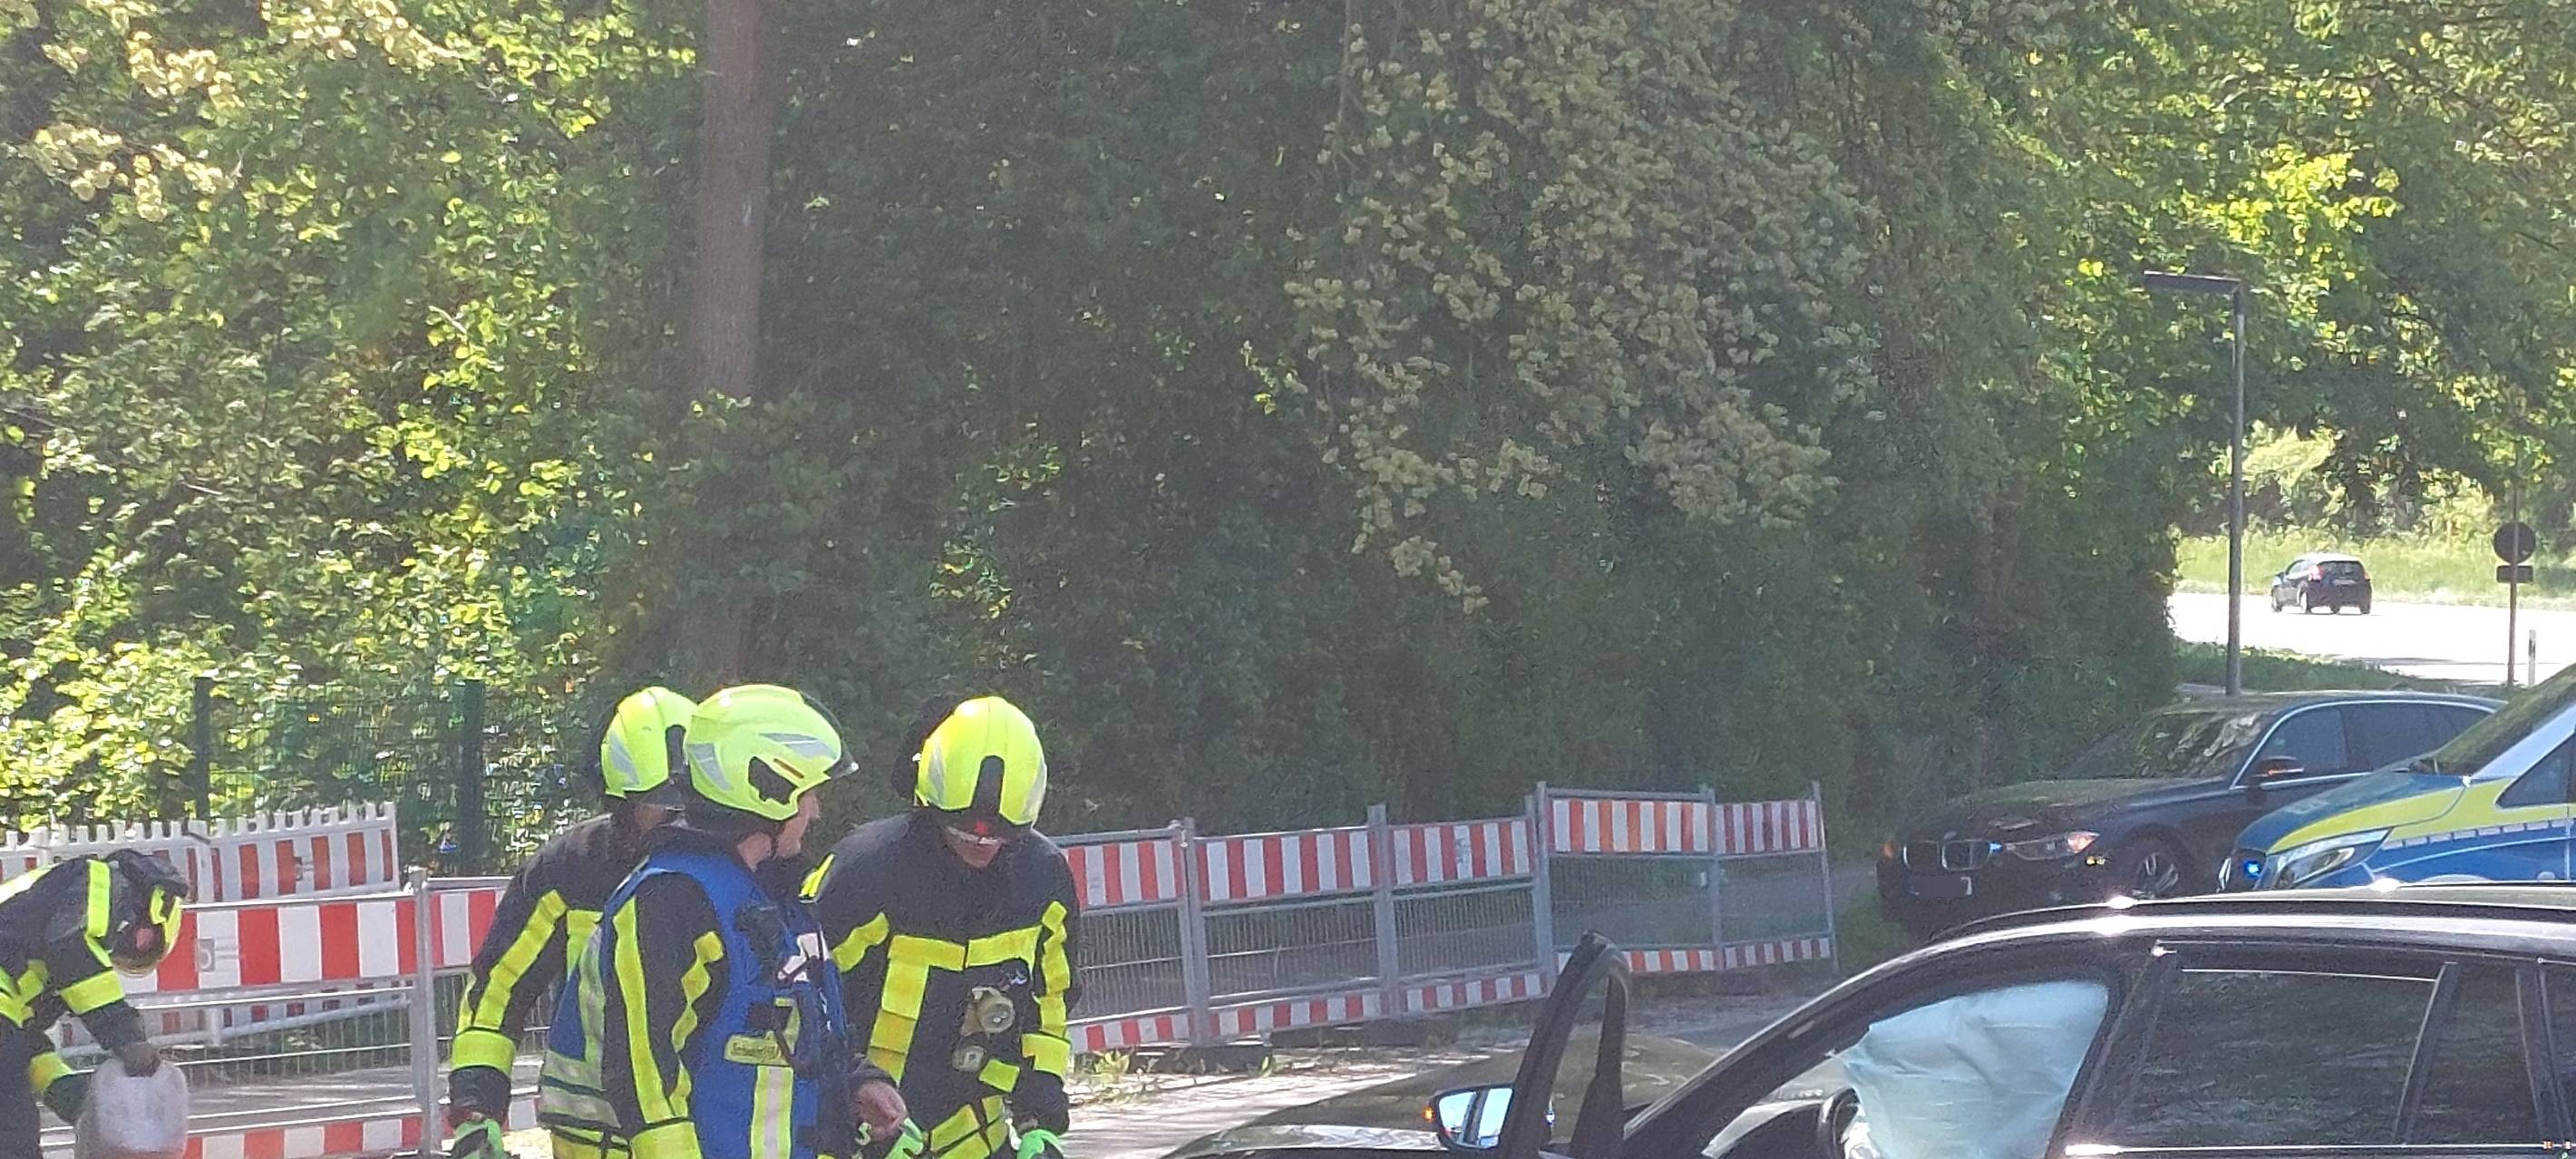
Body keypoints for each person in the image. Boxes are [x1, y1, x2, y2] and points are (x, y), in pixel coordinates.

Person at [540, 684, 910, 1159]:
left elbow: (792, 1031)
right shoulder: (670, 898)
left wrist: (856, 1082)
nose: (816, 812)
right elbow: (643, 1073)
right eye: (810, 794)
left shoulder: (773, 894)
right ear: (770, 789)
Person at [807, 695, 1080, 1159]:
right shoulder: (868, 870)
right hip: (866, 1138)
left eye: (998, 837)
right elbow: (801, 999)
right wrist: (854, 1104)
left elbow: (1048, 1003)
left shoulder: (1042, 878)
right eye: (962, 832)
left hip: (977, 1139)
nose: (981, 844)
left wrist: (1041, 1119)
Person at [447, 687, 697, 1158]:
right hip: (591, 1138)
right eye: (663, 806)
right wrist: (476, 1108)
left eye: (689, 805)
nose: (678, 822)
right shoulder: (569, 868)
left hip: (698, 1132)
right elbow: (500, 988)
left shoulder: (740, 875)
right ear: (622, 802)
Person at [0, 849, 190, 1159]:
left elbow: (23, 1041)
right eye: (144, 945)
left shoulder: (31, 942)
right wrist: (127, 1037)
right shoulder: (97, 881)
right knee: (12, 1135)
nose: (119, 953)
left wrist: (71, 1094)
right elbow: (72, 950)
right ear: (156, 909)